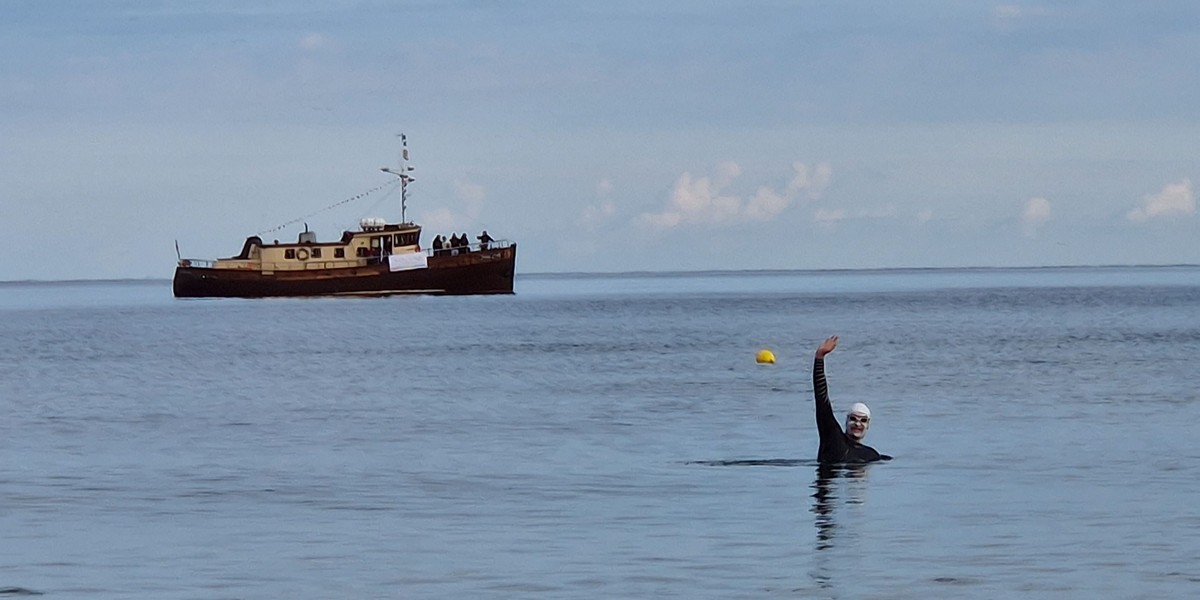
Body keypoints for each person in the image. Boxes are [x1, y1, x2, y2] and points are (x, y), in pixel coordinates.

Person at [812, 335, 890, 463]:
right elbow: (822, 401)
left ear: (868, 425)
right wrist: (819, 358)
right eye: (853, 419)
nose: (858, 424)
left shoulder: (871, 455)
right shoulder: (833, 438)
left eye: (863, 420)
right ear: (846, 421)